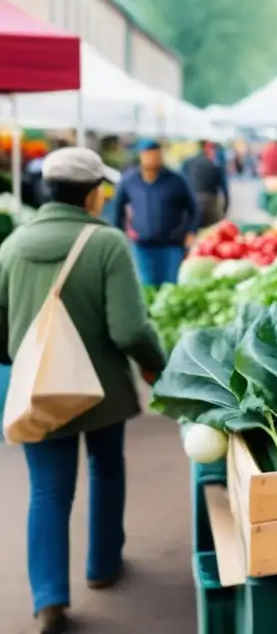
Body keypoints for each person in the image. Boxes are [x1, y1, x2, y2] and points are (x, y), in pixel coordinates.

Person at [0, 148, 165, 634]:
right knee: (106, 468)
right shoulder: (107, 243)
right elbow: (130, 329)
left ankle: (49, 598)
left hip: (38, 392)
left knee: (48, 491)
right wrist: (155, 367)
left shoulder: (11, 247)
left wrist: (22, 363)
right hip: (103, 390)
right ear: (93, 194)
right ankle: (103, 565)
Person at [110, 139, 198, 286]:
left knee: (170, 285)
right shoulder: (130, 180)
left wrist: (191, 232)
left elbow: (193, 209)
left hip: (172, 244)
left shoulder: (177, 180)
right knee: (147, 286)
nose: (153, 158)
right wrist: (120, 236)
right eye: (149, 154)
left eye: (157, 155)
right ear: (142, 155)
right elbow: (118, 211)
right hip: (142, 245)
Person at [183, 140, 230, 228]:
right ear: (209, 149)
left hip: (192, 207)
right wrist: (224, 211)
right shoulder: (215, 165)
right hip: (211, 208)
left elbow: (181, 186)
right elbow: (225, 192)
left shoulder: (187, 164)